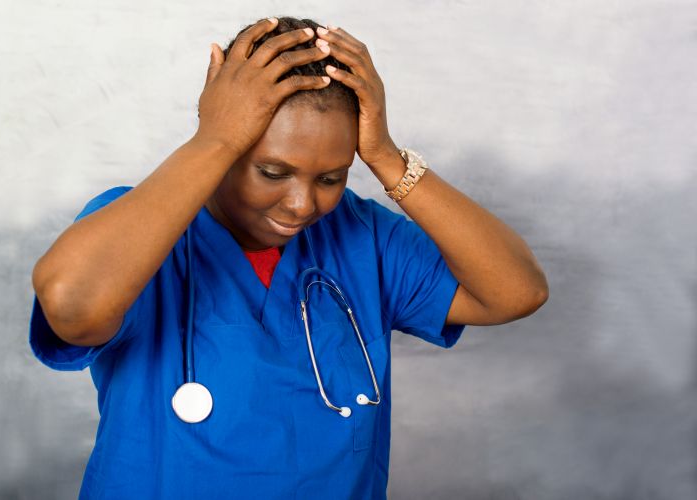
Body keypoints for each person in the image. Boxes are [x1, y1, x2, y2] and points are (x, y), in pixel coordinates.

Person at [29, 16, 548, 499]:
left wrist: (387, 158)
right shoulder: (138, 225)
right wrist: (214, 138)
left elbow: (516, 291)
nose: (303, 205)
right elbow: (74, 309)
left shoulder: (364, 236)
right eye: (272, 172)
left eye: (331, 178)